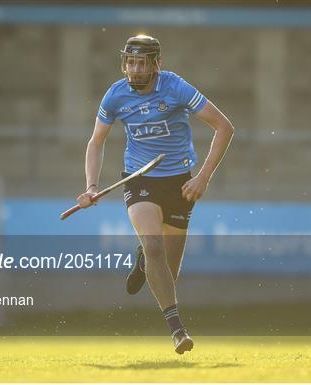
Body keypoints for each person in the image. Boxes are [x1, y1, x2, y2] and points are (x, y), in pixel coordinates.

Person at [77, 34, 234, 354]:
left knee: (166, 271)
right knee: (154, 245)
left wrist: (203, 178)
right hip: (140, 179)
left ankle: (142, 259)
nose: (134, 69)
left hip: (180, 183)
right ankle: (177, 330)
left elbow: (224, 127)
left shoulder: (175, 88)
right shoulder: (115, 95)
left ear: (156, 65)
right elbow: (96, 142)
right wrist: (91, 185)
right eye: (130, 62)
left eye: (142, 62)